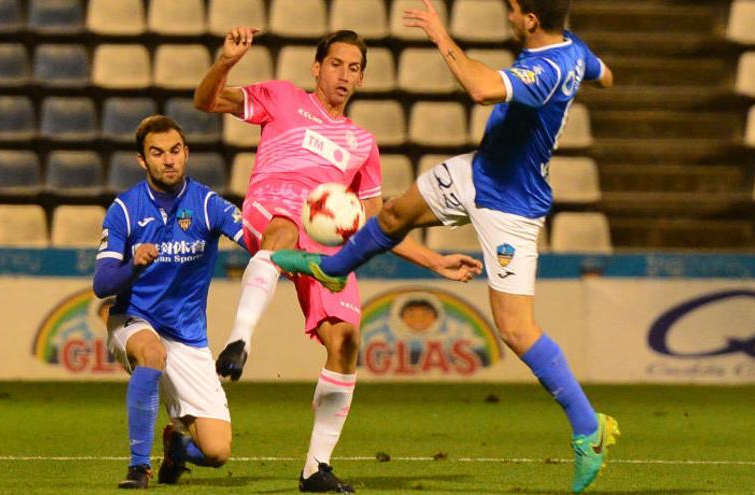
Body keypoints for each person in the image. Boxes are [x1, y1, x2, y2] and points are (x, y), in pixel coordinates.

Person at [272, 1, 620, 493]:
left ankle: (589, 428)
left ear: (530, 19)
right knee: (392, 215)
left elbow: (480, 88)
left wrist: (440, 34)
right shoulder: (573, 50)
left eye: (514, 10)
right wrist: (589, 75)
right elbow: (605, 75)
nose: (508, 15)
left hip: (512, 207)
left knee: (516, 329)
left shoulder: (546, 67)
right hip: (478, 172)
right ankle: (333, 268)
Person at [194, 27, 483, 493]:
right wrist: (226, 62)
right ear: (316, 67)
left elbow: (378, 224)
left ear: (363, 80)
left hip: (325, 237)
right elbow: (207, 101)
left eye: (354, 69)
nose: (344, 75)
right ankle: (239, 342)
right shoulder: (282, 98)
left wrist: (433, 261)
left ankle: (315, 469)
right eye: (336, 64)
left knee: (347, 342)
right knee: (284, 228)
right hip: (273, 208)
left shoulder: (362, 144)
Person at [93, 115, 246, 489]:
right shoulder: (125, 209)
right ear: (142, 161)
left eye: (175, 151)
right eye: (157, 153)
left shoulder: (209, 204)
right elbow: (102, 284)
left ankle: (177, 449)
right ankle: (138, 467)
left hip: (188, 336)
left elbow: (255, 242)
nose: (169, 160)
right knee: (152, 353)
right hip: (134, 319)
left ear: (186, 153)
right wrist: (133, 265)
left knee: (217, 452)